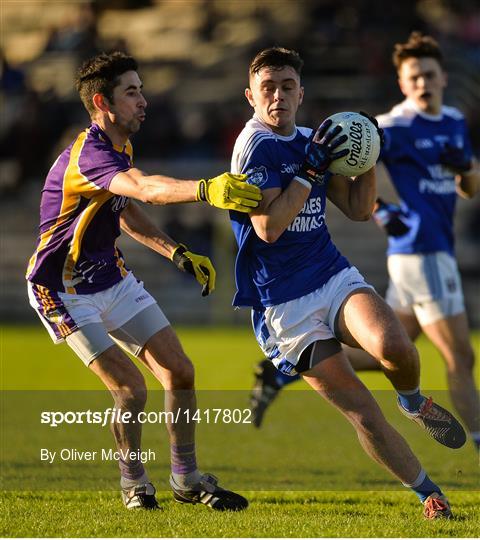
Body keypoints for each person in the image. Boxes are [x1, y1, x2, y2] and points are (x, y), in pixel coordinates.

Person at [230, 46, 466, 519]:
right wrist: (311, 169)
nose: (278, 96)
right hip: (284, 307)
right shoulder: (254, 146)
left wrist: (368, 154)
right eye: (268, 88)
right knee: (363, 413)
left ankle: (414, 401)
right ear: (251, 96)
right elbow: (269, 228)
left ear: (302, 93)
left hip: (330, 274)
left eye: (287, 87)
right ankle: (429, 493)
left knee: (396, 347)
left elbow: (359, 210)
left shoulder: (306, 138)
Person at [26, 51, 262, 511]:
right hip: (62, 291)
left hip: (111, 280)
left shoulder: (119, 147)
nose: (143, 100)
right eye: (131, 92)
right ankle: (134, 483)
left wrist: (174, 251)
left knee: (180, 371)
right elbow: (146, 189)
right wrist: (205, 189)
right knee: (132, 389)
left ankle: (187, 479)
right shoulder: (90, 154)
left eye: (141, 89)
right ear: (103, 102)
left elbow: (125, 207)